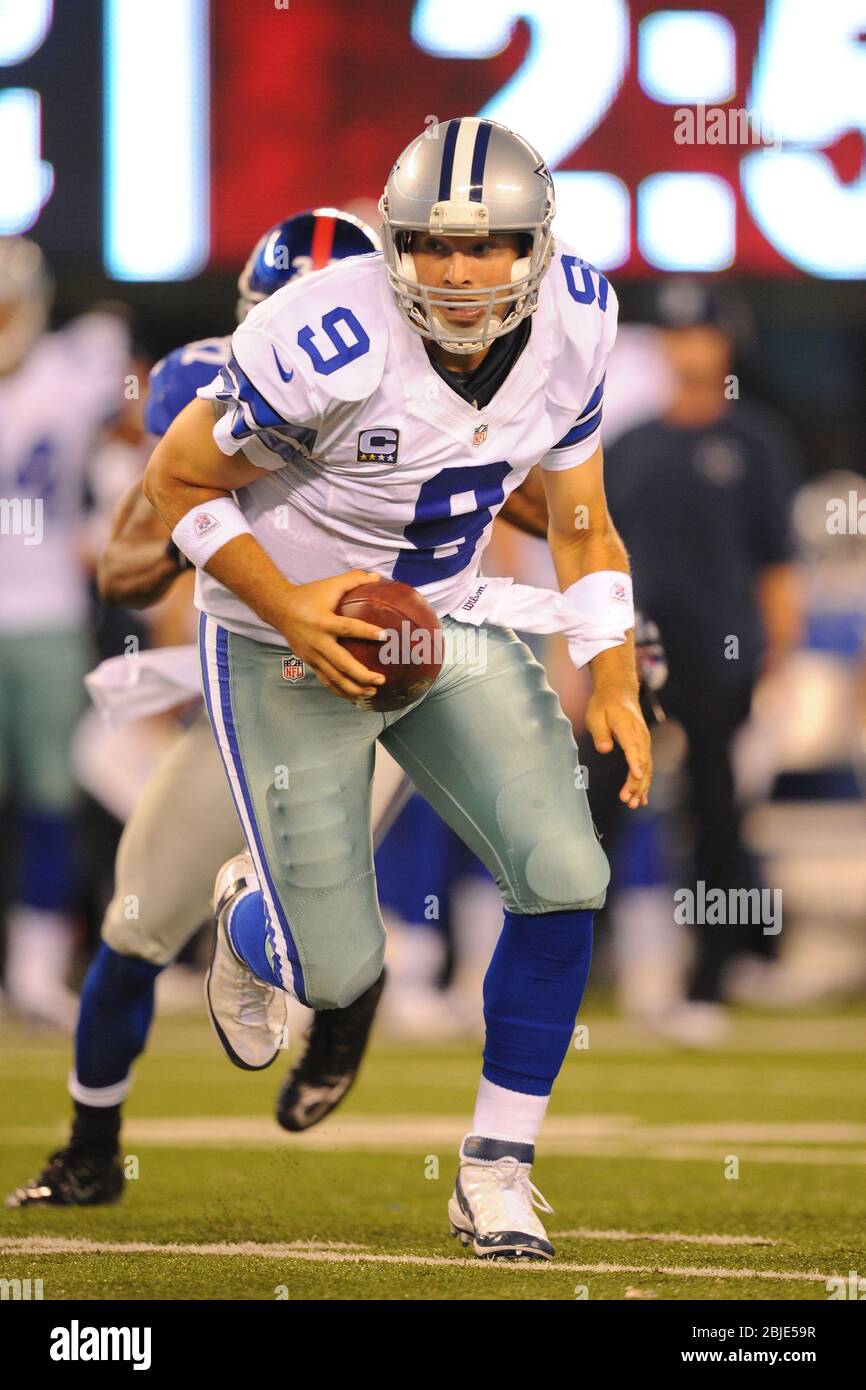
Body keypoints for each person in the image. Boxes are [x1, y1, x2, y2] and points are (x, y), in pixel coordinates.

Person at [144, 118, 652, 1262]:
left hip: (442, 619)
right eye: (429, 246)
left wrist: (610, 661)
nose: (458, 273)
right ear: (393, 244)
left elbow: (577, 520)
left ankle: (496, 1175)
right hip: (281, 633)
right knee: (342, 972)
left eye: (486, 248)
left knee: (565, 874)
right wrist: (287, 608)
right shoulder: (322, 336)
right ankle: (254, 921)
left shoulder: (578, 314)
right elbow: (176, 480)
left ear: (537, 245)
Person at [6, 207, 552, 1210]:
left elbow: (539, 500)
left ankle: (345, 999)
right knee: (138, 917)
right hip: (253, 681)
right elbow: (128, 568)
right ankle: (90, 1145)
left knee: (331, 894)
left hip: (371, 685)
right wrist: (206, 519)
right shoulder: (208, 394)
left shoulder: (435, 380)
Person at [601, 276, 803, 1045]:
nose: (690, 349)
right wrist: (579, 654)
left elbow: (777, 564)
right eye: (677, 336)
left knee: (715, 814)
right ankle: (587, 971)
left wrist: (774, 656)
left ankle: (711, 978)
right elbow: (593, 558)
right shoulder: (629, 444)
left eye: (703, 335)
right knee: (598, 809)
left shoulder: (755, 442)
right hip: (634, 654)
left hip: (724, 657)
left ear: (725, 344)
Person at [0, 237, 129, 1029]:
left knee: (51, 798)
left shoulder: (77, 370)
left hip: (47, 617)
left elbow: (151, 438)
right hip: (37, 616)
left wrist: (108, 523)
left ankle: (37, 970)